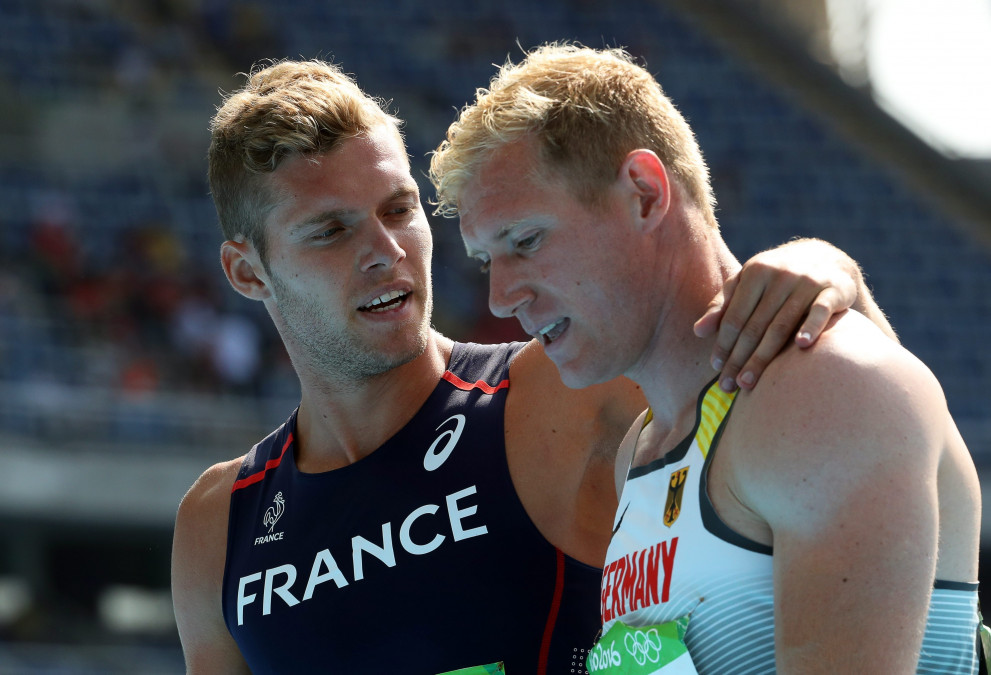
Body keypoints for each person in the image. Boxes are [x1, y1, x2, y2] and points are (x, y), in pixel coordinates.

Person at [171, 58, 888, 674]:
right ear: (247, 270)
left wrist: (827, 271)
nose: (385, 250)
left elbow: (876, 436)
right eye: (329, 230)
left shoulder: (563, 390)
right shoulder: (218, 523)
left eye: (399, 208)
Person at [429, 43, 983, 673]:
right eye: (486, 262)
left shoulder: (825, 386)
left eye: (525, 241)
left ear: (643, 193)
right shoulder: (640, 454)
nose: (503, 298)